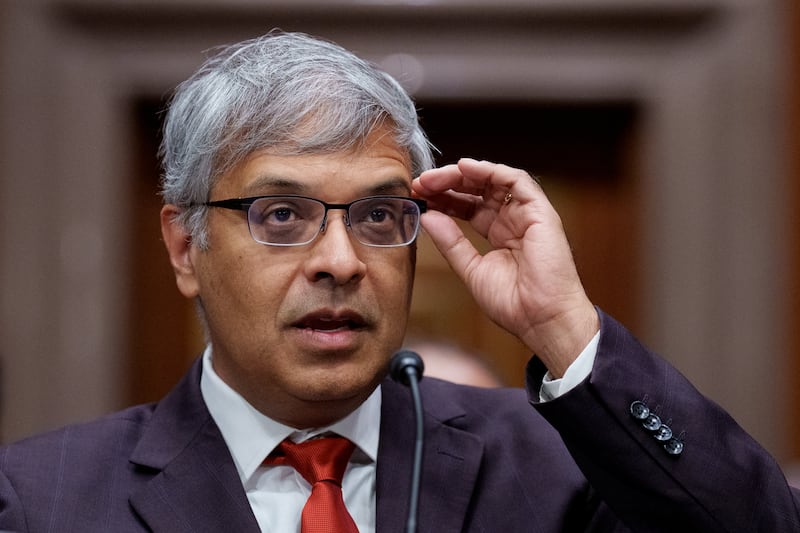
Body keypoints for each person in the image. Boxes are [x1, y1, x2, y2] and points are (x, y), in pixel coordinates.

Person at [0, 30, 797, 532]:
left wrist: (565, 326)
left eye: (379, 217)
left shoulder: (553, 465)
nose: (342, 260)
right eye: (282, 214)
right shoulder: (41, 500)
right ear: (185, 246)